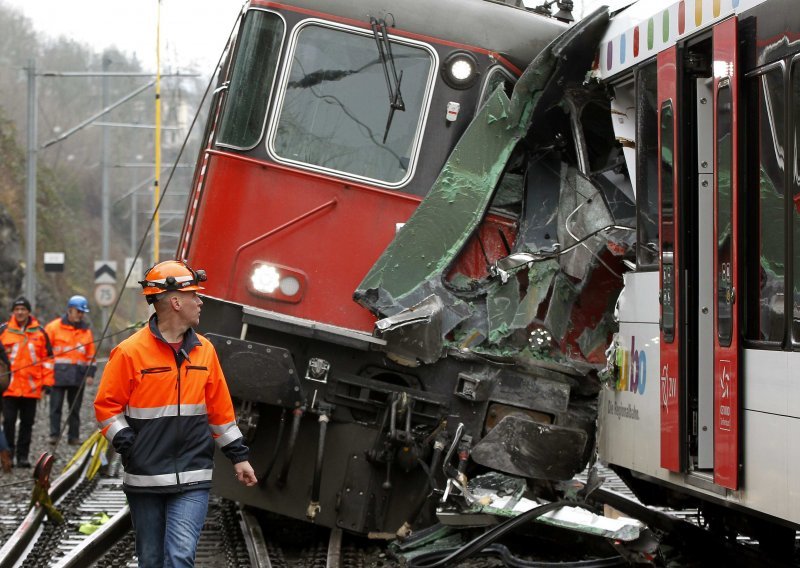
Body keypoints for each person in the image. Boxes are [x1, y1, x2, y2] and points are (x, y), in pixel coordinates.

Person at [94, 260, 257, 567]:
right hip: (146, 476)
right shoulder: (130, 352)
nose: (200, 302)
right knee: (151, 559)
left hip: (193, 474)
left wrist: (239, 457)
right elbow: (106, 407)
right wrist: (130, 444)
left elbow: (219, 411)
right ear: (175, 301)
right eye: (195, 295)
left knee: (180, 556)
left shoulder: (204, 351)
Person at [1, 296, 53, 468]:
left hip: (31, 388)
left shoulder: (40, 332)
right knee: (8, 422)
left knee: (27, 424)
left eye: (23, 309)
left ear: (29, 312)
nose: (20, 312)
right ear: (13, 312)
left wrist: (47, 384)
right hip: (8, 388)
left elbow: (48, 360)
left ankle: (23, 457)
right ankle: (8, 454)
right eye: (17, 309)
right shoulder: (4, 331)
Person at [45, 295, 96, 446]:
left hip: (77, 376)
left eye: (82, 312)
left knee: (75, 409)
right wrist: (45, 376)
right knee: (55, 408)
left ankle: (73, 437)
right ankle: (54, 435)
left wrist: (91, 374)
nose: (80, 315)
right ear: (70, 310)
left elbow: (91, 355)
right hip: (57, 376)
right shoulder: (53, 328)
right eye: (78, 311)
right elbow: (45, 353)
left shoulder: (86, 332)